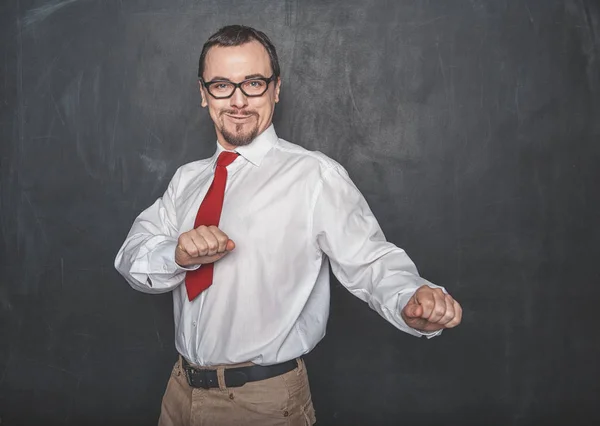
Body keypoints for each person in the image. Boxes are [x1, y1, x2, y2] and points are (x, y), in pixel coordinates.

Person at [115, 24, 462, 426]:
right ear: (203, 93)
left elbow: (369, 260)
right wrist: (175, 254)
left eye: (254, 83)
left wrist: (410, 299)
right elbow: (131, 257)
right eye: (222, 85)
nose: (239, 100)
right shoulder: (186, 181)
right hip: (179, 393)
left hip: (263, 404)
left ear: (276, 89)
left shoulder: (314, 176)